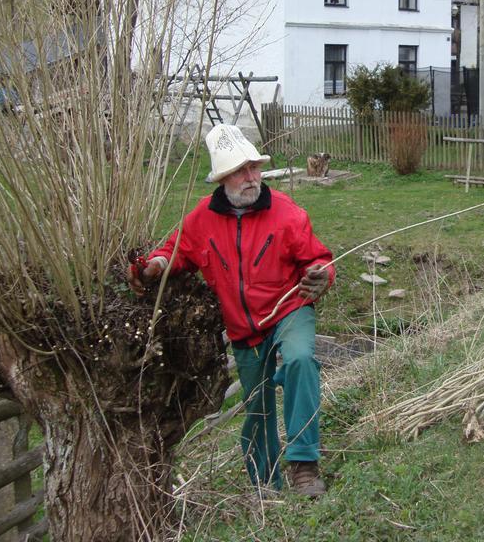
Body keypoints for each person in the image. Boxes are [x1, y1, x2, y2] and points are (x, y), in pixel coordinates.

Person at [130, 124, 334, 497]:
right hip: (243, 328)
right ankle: (264, 485)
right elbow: (176, 251)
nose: (252, 177)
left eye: (254, 168)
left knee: (300, 360)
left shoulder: (288, 214)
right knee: (256, 407)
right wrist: (155, 265)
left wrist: (322, 274)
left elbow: (317, 259)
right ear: (223, 178)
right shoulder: (201, 219)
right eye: (241, 171)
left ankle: (304, 466)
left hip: (289, 309)